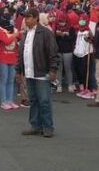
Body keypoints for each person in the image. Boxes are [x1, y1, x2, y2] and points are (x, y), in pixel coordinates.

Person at [16, 9, 59, 138]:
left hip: (42, 72)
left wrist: (53, 69)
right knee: (33, 100)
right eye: (25, 17)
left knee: (44, 101)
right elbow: (21, 54)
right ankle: (35, 125)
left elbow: (53, 52)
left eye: (29, 17)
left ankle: (47, 126)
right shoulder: (25, 34)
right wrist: (18, 71)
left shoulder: (45, 33)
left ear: (36, 18)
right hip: (29, 72)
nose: (26, 20)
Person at [0, 13, 21, 110]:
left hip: (13, 57)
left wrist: (16, 33)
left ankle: (10, 100)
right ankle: (3, 101)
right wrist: (14, 34)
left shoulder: (14, 29)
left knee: (11, 81)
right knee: (4, 80)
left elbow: (21, 36)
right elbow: (6, 40)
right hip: (3, 58)